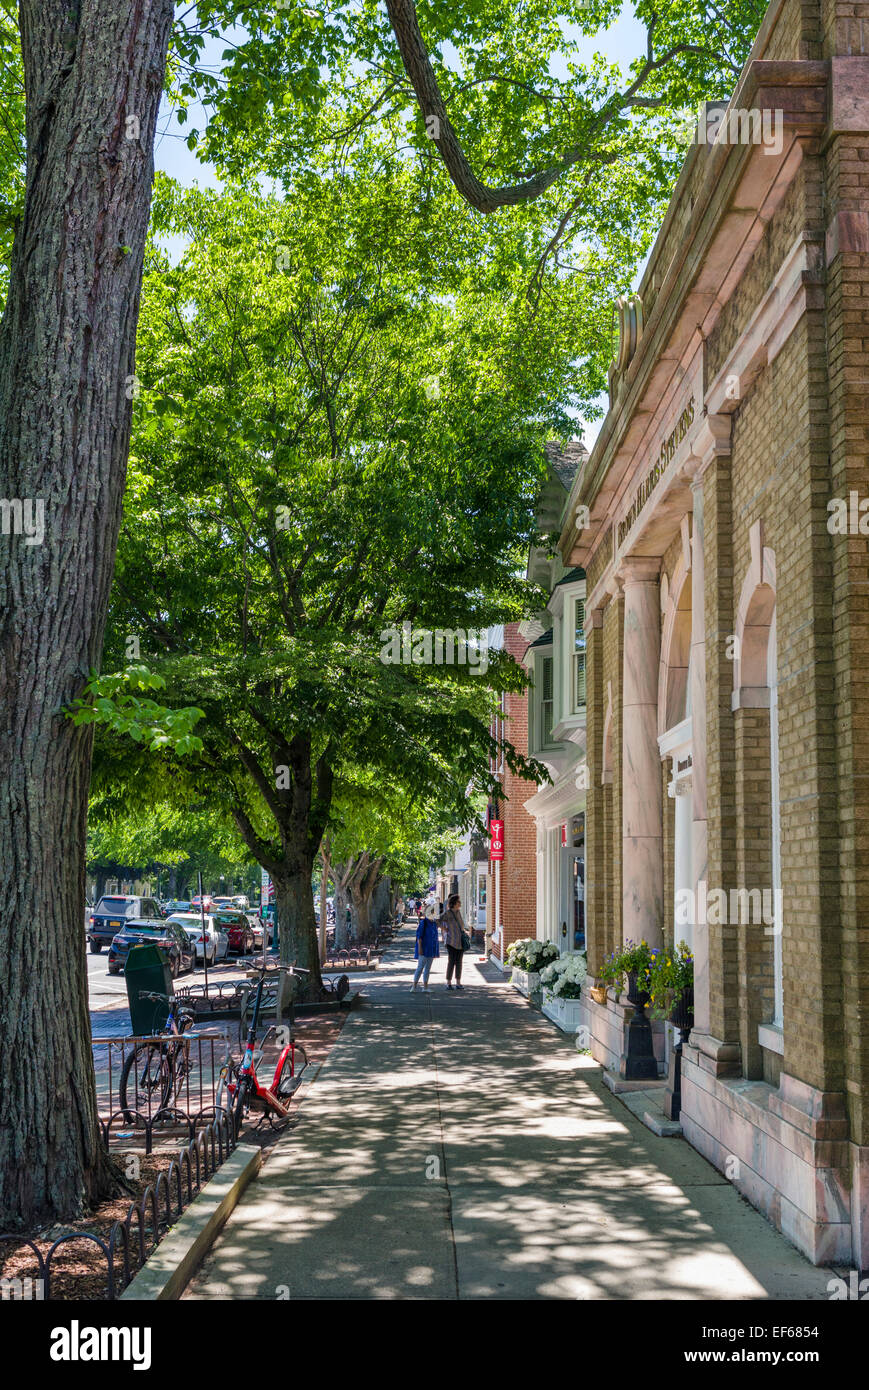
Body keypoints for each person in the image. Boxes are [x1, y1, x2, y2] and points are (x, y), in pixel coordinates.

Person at [440, 894, 467, 991]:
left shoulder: (458, 912)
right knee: (451, 962)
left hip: (460, 941)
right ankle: (448, 982)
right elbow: (437, 920)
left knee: (459, 962)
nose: (460, 903)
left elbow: (461, 925)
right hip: (451, 941)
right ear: (454, 903)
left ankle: (458, 982)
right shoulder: (447, 913)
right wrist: (444, 928)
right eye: (459, 902)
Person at [411, 904, 440, 991]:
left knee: (428, 968)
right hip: (424, 948)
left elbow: (435, 937)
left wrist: (435, 950)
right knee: (420, 967)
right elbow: (419, 936)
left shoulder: (434, 923)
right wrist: (420, 947)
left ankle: (425, 987)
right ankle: (414, 986)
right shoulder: (424, 923)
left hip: (431, 948)